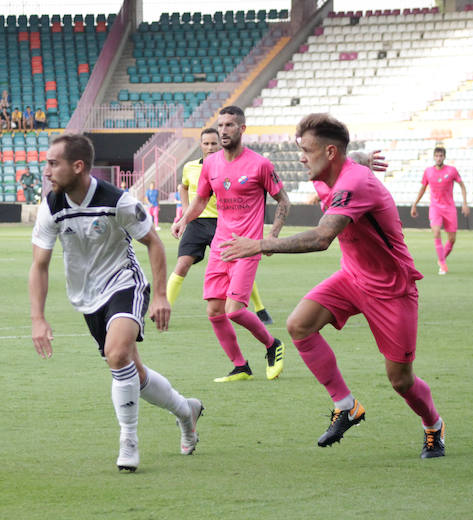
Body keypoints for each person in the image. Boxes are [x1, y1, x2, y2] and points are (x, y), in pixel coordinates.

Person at [220, 112, 446, 459]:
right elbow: (351, 158)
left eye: (307, 150)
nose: (301, 157)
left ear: (328, 153)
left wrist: (260, 243)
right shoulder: (334, 168)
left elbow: (323, 237)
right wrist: (362, 157)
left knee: (401, 381)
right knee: (299, 326)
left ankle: (433, 425)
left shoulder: (354, 184)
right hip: (352, 277)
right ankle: (347, 406)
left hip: (391, 290)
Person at [29, 134, 204, 472]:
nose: (46, 170)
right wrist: (38, 317)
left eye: (53, 163)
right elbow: (39, 265)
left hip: (124, 282)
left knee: (117, 354)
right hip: (87, 297)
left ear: (77, 166)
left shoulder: (117, 201)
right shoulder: (51, 206)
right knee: (132, 372)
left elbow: (153, 242)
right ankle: (186, 411)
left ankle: (128, 440)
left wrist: (163, 297)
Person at [172, 107, 289, 383]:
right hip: (220, 246)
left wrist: (270, 237)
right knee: (214, 311)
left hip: (247, 247)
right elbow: (200, 200)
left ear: (242, 129)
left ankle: (273, 345)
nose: (224, 130)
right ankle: (240, 366)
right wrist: (183, 220)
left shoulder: (260, 164)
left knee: (234, 310)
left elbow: (283, 200)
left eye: (230, 125)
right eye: (221, 125)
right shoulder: (211, 164)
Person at [168, 128, 272, 324]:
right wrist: (184, 213)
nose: (209, 147)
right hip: (197, 223)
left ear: (220, 144)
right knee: (182, 264)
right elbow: (184, 187)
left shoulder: (227, 167)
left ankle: (260, 308)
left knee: (238, 267)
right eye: (206, 143)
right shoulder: (190, 167)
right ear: (200, 145)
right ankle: (164, 309)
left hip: (223, 224)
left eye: (213, 143)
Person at [411, 146, 469, 275]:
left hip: (449, 208)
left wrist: (465, 203)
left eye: (440, 156)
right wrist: (415, 204)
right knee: (436, 232)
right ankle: (442, 264)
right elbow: (422, 188)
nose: (438, 158)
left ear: (444, 157)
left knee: (452, 239)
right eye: (436, 156)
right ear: (433, 157)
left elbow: (462, 186)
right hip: (435, 208)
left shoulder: (452, 171)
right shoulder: (428, 172)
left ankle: (441, 259)